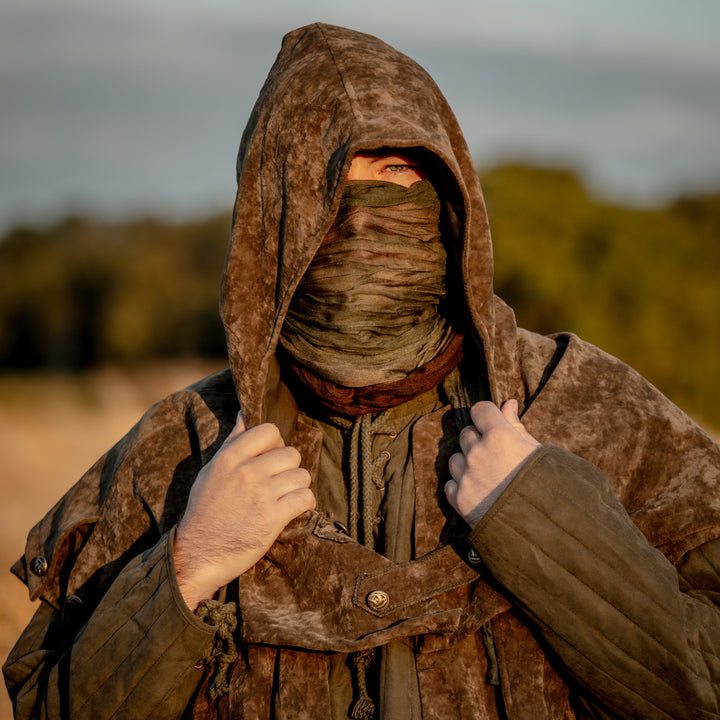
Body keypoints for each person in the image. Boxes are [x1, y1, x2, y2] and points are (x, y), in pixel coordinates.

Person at [4, 22, 720, 720]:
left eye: (396, 175)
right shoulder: (180, 448)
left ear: (447, 198)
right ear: (275, 215)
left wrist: (550, 523)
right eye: (331, 188)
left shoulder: (587, 408)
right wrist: (187, 568)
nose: (364, 219)